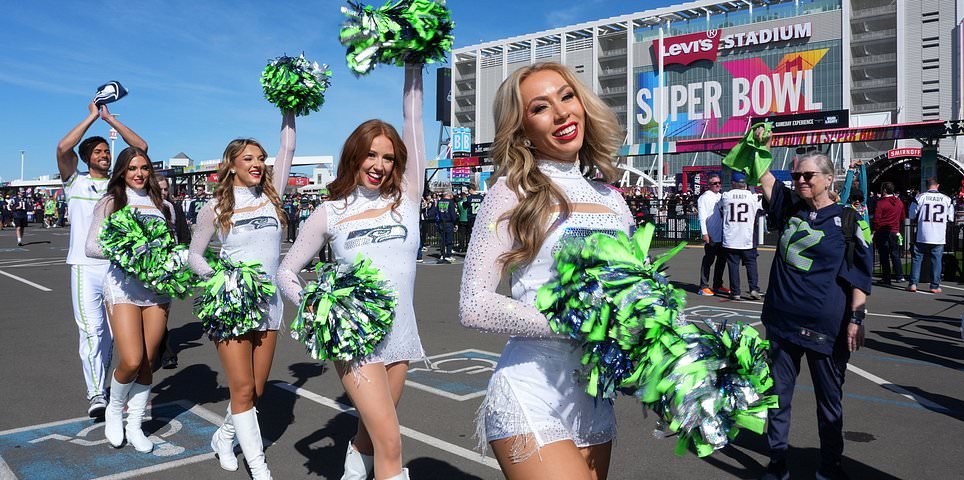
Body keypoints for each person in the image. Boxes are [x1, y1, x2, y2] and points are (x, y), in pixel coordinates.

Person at [459, 62, 632, 480]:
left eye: (566, 97)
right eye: (540, 107)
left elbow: (640, 296)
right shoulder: (512, 192)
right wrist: (574, 323)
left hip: (594, 399)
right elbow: (473, 304)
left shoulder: (613, 199)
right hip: (529, 394)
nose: (561, 112)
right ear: (522, 130)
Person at [277, 65, 426, 480]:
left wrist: (413, 62)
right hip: (355, 339)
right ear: (354, 156)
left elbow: (413, 118)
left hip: (401, 333)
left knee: (372, 435)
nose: (379, 165)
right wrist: (317, 306)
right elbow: (286, 271)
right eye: (370, 154)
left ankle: (353, 469)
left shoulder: (408, 198)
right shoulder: (330, 211)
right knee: (391, 443)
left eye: (388, 157)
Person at [187, 112, 295, 479]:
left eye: (261, 158)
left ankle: (223, 438)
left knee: (256, 389)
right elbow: (195, 256)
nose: (257, 164)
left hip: (269, 304)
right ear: (231, 165)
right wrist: (220, 279)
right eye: (248, 158)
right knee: (243, 387)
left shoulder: (271, 197)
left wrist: (290, 106)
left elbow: (288, 147)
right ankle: (259, 468)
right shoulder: (215, 207)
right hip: (232, 304)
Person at [755, 148, 872, 480]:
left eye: (808, 175)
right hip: (782, 324)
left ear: (829, 178)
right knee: (777, 399)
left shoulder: (850, 221)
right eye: (796, 176)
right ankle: (777, 463)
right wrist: (758, 141)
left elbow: (860, 276)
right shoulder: (790, 207)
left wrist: (856, 319)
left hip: (826, 329)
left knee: (829, 404)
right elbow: (763, 174)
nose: (801, 181)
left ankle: (829, 467)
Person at [56, 101, 148, 417]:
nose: (104, 155)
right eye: (97, 152)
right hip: (84, 266)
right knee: (91, 330)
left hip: (116, 267)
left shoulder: (117, 184)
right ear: (86, 158)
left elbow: (140, 147)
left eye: (106, 151)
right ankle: (96, 393)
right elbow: (63, 148)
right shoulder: (75, 181)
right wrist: (92, 117)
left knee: (111, 334)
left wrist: (109, 119)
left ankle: (108, 385)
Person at [85, 148, 175, 453]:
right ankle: (114, 409)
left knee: (148, 362)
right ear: (122, 171)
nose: (139, 173)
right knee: (133, 359)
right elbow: (91, 246)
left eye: (144, 168)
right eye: (133, 168)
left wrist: (169, 261)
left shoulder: (163, 205)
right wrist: (131, 250)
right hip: (123, 287)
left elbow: (173, 244)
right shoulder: (112, 202)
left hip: (157, 290)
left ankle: (135, 425)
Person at [155, 175, 190, 370]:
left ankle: (163, 351)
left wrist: (182, 259)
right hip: (147, 267)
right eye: (159, 189)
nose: (163, 193)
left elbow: (184, 236)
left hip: (169, 266)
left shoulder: (174, 208)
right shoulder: (144, 208)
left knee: (162, 311)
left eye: (165, 189)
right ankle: (163, 352)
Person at [721, 172, 763, 300]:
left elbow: (721, 209)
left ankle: (736, 292)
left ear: (733, 183)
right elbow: (761, 209)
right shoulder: (752, 197)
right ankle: (754, 288)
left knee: (733, 266)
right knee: (751, 264)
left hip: (731, 237)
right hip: (747, 236)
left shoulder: (726, 196)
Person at [908, 178, 953, 294]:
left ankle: (913, 284)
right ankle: (934, 286)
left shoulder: (920, 197)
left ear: (926, 186)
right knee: (936, 261)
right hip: (938, 235)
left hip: (923, 234)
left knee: (917, 259)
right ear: (937, 185)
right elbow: (951, 217)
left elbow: (911, 214)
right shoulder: (947, 199)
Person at [698, 173, 728, 296]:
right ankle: (703, 286)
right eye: (715, 183)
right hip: (711, 234)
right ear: (709, 184)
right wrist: (705, 233)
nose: (718, 185)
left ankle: (718, 284)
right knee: (708, 260)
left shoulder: (721, 197)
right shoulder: (704, 198)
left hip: (722, 235)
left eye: (719, 183)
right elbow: (702, 217)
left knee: (722, 261)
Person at [872, 181, 906, 285]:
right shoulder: (899, 202)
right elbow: (902, 217)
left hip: (883, 231)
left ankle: (886, 278)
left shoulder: (881, 203)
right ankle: (900, 276)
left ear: (884, 190)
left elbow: (877, 219)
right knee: (895, 253)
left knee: (884, 255)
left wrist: (874, 230)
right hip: (894, 230)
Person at [435, 191, 457, 263]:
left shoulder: (439, 202)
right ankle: (448, 255)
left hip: (441, 222)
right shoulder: (450, 202)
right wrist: (455, 222)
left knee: (442, 239)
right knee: (449, 239)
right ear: (448, 195)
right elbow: (452, 213)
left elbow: (437, 212)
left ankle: (442, 254)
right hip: (449, 222)